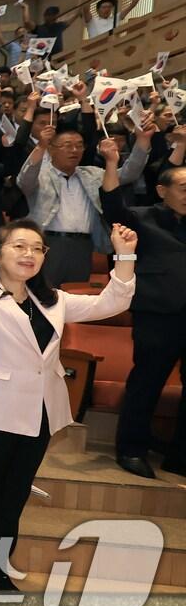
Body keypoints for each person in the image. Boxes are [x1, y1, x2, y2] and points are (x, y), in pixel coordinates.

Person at [0, 220, 136, 590]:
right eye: (19, 246)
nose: (29, 255)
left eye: (37, 248)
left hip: (37, 412)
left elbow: (112, 302)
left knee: (13, 496)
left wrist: (125, 252)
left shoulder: (51, 299)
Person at [102, 159, 186, 479]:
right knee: (146, 384)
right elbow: (112, 208)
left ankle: (180, 456)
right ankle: (131, 450)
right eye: (183, 188)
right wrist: (111, 163)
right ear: (162, 190)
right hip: (157, 315)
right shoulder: (142, 218)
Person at [18, 128, 113, 287]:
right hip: (49, 244)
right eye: (67, 145)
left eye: (79, 145)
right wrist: (40, 146)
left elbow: (127, 174)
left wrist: (141, 143)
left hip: (83, 245)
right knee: (44, 293)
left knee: (76, 296)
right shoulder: (41, 175)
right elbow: (25, 179)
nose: (74, 150)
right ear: (51, 149)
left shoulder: (92, 175)